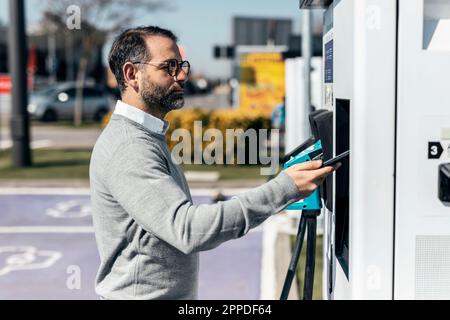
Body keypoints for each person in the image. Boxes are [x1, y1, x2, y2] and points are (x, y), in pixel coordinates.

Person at [89, 26, 338, 300]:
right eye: (169, 67)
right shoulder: (129, 146)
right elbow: (188, 229)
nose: (182, 75)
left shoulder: (146, 135)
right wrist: (285, 189)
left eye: (181, 65)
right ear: (131, 74)